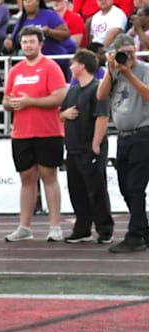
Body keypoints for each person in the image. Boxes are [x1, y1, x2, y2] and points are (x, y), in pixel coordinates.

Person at [3, 26, 68, 243]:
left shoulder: (51, 67)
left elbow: (59, 97)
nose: (28, 45)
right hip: (21, 133)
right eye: (25, 42)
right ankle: (24, 226)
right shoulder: (16, 70)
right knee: (26, 178)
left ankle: (55, 226)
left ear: (40, 44)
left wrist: (30, 102)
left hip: (48, 131)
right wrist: (10, 104)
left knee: (49, 176)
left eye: (32, 41)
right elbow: (5, 99)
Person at [97, 34, 149, 252]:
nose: (128, 56)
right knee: (125, 187)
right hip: (123, 135)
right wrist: (111, 70)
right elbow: (100, 95)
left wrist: (128, 72)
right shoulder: (114, 71)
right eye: (123, 52)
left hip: (144, 134)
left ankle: (136, 234)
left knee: (135, 187)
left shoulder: (144, 70)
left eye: (131, 51)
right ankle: (143, 229)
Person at [60, 49, 114, 244]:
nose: (71, 67)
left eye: (73, 64)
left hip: (89, 147)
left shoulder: (97, 88)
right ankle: (82, 228)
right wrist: (64, 115)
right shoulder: (73, 90)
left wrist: (95, 145)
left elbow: (102, 117)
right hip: (73, 148)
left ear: (81, 66)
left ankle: (104, 229)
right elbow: (61, 112)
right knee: (77, 190)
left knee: (96, 189)